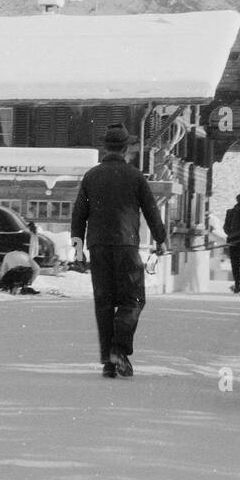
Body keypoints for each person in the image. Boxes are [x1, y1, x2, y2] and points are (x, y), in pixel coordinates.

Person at [70, 124, 167, 378]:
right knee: (133, 299)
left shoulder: (91, 176)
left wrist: (78, 251)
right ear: (126, 148)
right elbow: (151, 210)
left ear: (105, 147)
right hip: (125, 245)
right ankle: (118, 350)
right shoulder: (135, 176)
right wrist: (161, 240)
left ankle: (109, 362)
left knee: (104, 303)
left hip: (97, 246)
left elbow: (78, 216)